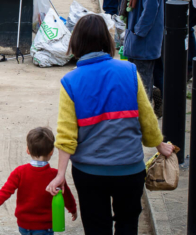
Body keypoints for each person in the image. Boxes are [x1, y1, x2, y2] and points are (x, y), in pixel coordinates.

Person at [46, 14, 173, 235]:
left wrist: (60, 174)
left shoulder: (71, 81)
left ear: (76, 42)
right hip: (129, 169)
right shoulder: (129, 71)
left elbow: (67, 135)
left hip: (89, 173)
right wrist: (160, 145)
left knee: (97, 228)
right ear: (107, 40)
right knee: (127, 224)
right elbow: (147, 119)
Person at [0, 127, 77, 234]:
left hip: (24, 225)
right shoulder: (56, 176)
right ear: (51, 152)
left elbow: (4, 192)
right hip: (45, 226)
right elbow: (66, 195)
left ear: (27, 150)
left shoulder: (19, 172)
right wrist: (73, 210)